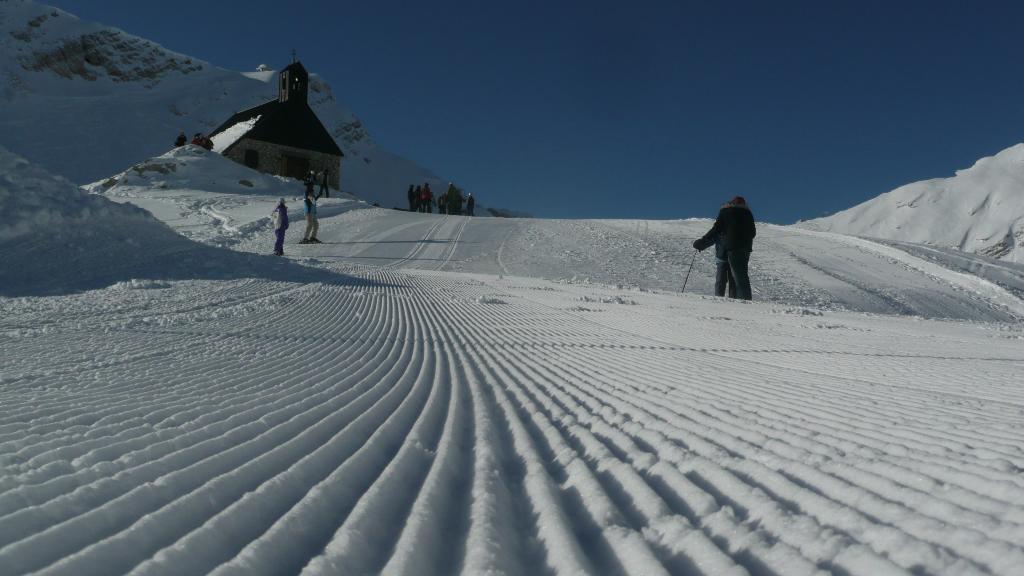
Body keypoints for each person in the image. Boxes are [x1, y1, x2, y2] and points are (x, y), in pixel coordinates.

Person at [693, 196, 756, 300]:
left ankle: (742, 301)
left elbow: (716, 230)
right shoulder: (748, 213)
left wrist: (701, 243)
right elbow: (753, 232)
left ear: (731, 203)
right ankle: (739, 299)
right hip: (745, 248)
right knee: (740, 274)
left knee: (732, 277)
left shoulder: (726, 212)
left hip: (731, 248)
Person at [300, 175, 322, 244]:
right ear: (309, 186)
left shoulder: (311, 192)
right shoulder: (307, 192)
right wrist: (317, 196)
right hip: (308, 212)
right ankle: (305, 238)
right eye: (312, 185)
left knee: (316, 225)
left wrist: (317, 196)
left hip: (313, 212)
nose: (313, 186)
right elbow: (312, 201)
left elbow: (313, 201)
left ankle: (313, 237)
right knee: (310, 224)